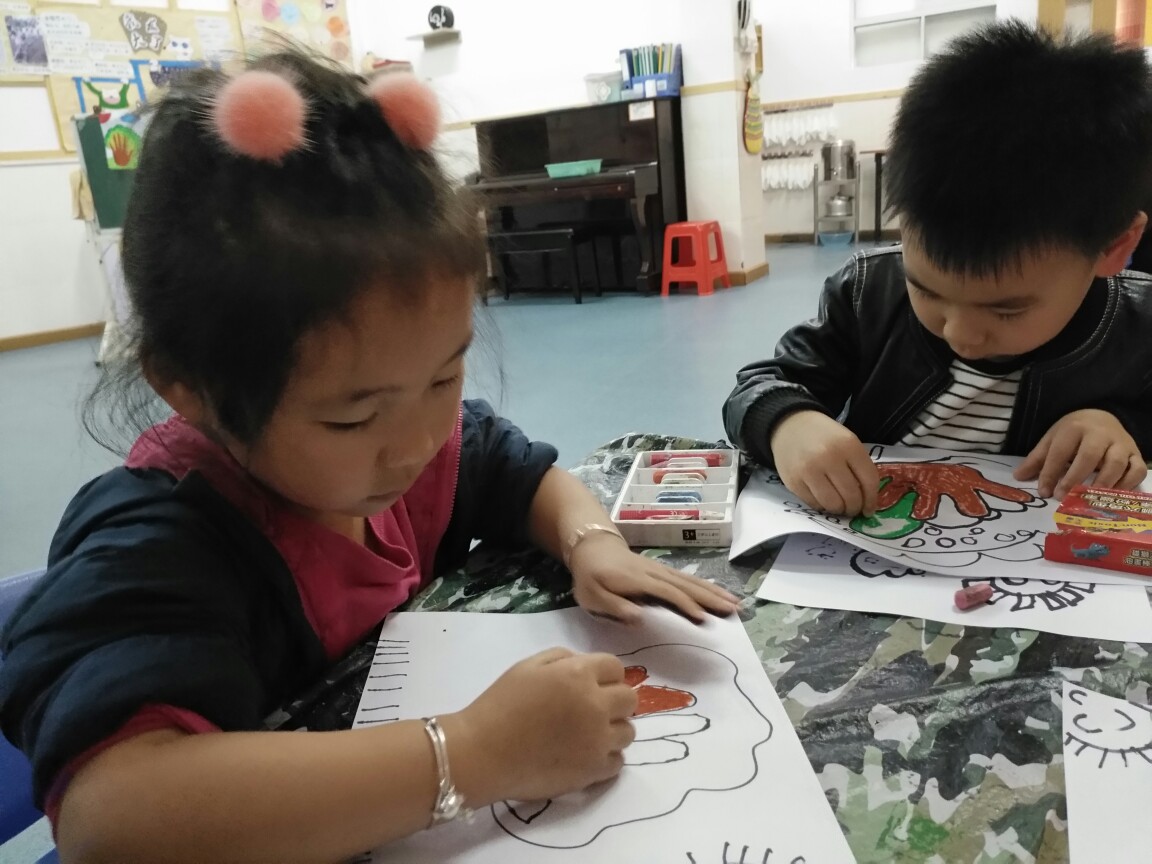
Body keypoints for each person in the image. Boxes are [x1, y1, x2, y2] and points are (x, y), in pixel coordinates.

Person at [0, 51, 738, 863]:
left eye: (445, 377)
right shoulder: (158, 542)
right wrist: (472, 755)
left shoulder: (410, 458)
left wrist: (591, 541)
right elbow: (112, 818)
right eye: (354, 417)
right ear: (191, 391)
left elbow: (515, 472)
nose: (419, 441)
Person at [724, 21, 1152, 517]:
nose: (961, 335)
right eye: (927, 291)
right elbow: (759, 386)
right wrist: (788, 422)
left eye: (1006, 311)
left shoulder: (1139, 328)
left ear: (1114, 249)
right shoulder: (868, 293)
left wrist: (1123, 427)